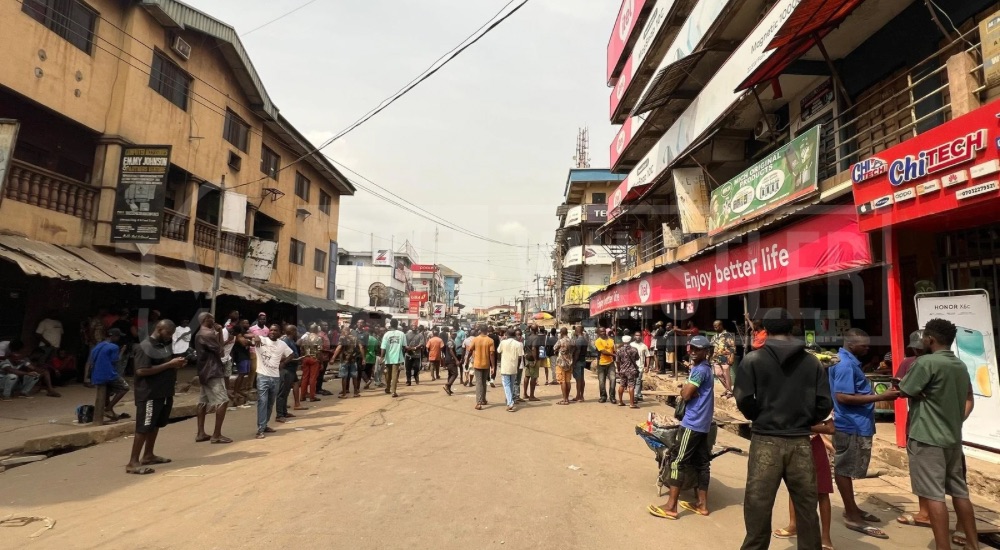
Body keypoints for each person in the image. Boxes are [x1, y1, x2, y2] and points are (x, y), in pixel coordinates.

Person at [734, 308, 833, 550]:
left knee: (758, 504)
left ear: (765, 330)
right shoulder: (812, 362)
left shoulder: (753, 359)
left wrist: (761, 416)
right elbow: (824, 404)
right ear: (791, 328)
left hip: (765, 439)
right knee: (806, 506)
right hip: (800, 440)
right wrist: (803, 419)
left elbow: (744, 399)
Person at [898, 319, 979, 550]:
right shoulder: (960, 365)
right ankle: (973, 544)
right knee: (960, 491)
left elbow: (905, 390)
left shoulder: (926, 363)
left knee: (934, 495)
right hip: (952, 438)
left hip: (927, 437)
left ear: (930, 339)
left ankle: (943, 547)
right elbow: (968, 399)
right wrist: (956, 420)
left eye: (924, 337)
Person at [829, 328, 898, 539]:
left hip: (856, 424)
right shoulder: (846, 365)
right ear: (851, 344)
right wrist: (880, 397)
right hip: (851, 425)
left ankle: (853, 508)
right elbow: (842, 396)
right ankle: (851, 514)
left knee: (849, 468)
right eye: (864, 345)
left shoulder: (846, 361)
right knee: (844, 469)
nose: (868, 349)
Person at [648, 335, 715, 519]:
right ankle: (702, 505)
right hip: (704, 423)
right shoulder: (707, 369)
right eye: (691, 348)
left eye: (697, 349)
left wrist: (685, 389)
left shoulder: (699, 370)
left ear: (706, 352)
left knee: (677, 461)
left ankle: (671, 506)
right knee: (703, 464)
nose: (693, 352)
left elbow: (686, 395)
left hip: (693, 423)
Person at [127, 320, 186, 475]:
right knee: (143, 427)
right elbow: (142, 371)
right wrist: (169, 365)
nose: (170, 337)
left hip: (163, 392)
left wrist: (176, 364)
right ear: (159, 329)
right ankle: (133, 462)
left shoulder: (163, 346)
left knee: (155, 425)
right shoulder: (145, 346)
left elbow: (165, 365)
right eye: (168, 333)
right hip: (149, 394)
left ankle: (148, 455)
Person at [772, 415, 836, 550]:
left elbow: (830, 428)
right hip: (792, 442)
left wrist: (802, 428)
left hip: (813, 445)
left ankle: (825, 536)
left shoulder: (817, 396)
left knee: (822, 491)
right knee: (793, 485)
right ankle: (793, 525)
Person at [194, 312, 231, 445]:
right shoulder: (208, 334)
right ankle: (216, 435)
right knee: (223, 401)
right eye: (212, 318)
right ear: (206, 320)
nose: (214, 321)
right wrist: (219, 332)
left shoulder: (200, 333)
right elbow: (221, 351)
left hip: (204, 371)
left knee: (203, 401)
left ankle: (200, 433)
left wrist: (219, 332)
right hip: (213, 371)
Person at [255, 324, 293, 439]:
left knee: (270, 403)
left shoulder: (282, 344)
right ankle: (260, 429)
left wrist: (283, 363)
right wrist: (255, 336)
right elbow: (245, 335)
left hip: (275, 377)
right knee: (262, 402)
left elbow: (291, 354)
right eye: (271, 330)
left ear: (280, 333)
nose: (272, 332)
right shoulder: (261, 340)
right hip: (262, 376)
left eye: (275, 330)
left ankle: (265, 425)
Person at [86, 330, 129, 419]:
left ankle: (110, 413)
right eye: (118, 337)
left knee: (107, 392)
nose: (118, 339)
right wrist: (122, 351)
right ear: (113, 336)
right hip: (108, 374)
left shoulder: (97, 346)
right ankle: (108, 409)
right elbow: (116, 360)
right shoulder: (114, 347)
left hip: (96, 375)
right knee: (125, 388)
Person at [276, 325, 305, 422]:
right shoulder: (285, 341)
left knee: (286, 391)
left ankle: (284, 412)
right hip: (286, 370)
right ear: (292, 331)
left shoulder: (291, 341)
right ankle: (279, 415)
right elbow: (282, 357)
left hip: (291, 370)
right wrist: (297, 359)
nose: (297, 333)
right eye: (295, 331)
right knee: (282, 392)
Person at [331, 326, 363, 398]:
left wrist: (333, 358)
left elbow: (339, 348)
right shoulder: (355, 338)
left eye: (342, 331)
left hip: (344, 360)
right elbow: (361, 347)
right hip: (353, 359)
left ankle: (344, 393)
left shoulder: (342, 338)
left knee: (344, 377)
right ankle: (355, 392)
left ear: (344, 331)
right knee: (354, 376)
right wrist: (363, 358)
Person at [469, 327, 496, 410]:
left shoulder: (475, 339)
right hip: (486, 364)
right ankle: (483, 399)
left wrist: (467, 360)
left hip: (477, 364)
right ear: (487, 331)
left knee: (479, 383)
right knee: (484, 382)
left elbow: (470, 349)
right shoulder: (490, 340)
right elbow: (492, 354)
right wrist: (493, 366)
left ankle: (479, 402)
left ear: (480, 331)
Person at [498, 329, 524, 412]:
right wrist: (517, 366)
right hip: (514, 367)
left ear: (507, 334)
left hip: (505, 367)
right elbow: (520, 357)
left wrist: (502, 340)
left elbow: (498, 351)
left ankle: (510, 402)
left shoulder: (503, 342)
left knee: (506, 385)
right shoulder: (519, 344)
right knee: (511, 385)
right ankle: (510, 400)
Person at [380, 319, 407, 398]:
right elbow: (404, 346)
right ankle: (393, 392)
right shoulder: (402, 334)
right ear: (397, 325)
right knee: (394, 374)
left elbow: (383, 347)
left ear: (390, 324)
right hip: (397, 357)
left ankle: (388, 388)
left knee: (388, 373)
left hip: (388, 357)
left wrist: (382, 357)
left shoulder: (386, 334)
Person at [614, 335, 641, 409]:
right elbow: (637, 358)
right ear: (630, 341)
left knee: (622, 385)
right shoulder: (634, 349)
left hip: (622, 370)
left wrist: (619, 369)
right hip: (631, 370)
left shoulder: (619, 350)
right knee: (631, 386)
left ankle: (620, 401)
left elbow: (617, 361)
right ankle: (631, 403)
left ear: (623, 341)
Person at [298, 324, 323, 402]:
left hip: (305, 358)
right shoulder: (318, 338)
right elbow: (319, 352)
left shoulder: (305, 338)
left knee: (305, 377)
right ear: (316, 330)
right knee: (313, 378)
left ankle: (302, 396)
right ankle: (312, 396)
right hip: (314, 359)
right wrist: (321, 362)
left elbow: (301, 349)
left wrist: (302, 359)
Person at [711, 320, 736, 397]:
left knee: (726, 374)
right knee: (718, 374)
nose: (715, 327)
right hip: (716, 358)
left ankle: (729, 392)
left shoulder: (728, 335)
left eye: (717, 325)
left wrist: (732, 357)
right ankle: (728, 389)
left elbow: (732, 347)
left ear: (721, 325)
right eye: (714, 326)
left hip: (725, 358)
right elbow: (711, 347)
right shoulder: (714, 337)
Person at [230, 324, 252, 402]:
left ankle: (238, 390)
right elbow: (245, 343)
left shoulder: (241, 336)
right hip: (241, 357)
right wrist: (249, 342)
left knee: (243, 374)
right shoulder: (238, 337)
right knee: (241, 374)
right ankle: (235, 391)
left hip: (245, 356)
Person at [553, 327, 574, 405]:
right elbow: (574, 349)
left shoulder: (560, 341)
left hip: (561, 363)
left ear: (561, 333)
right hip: (569, 362)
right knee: (568, 381)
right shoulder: (571, 341)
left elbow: (554, 348)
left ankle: (564, 400)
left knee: (562, 381)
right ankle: (567, 398)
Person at [595, 328, 617, 404]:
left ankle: (612, 397)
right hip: (601, 363)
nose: (603, 332)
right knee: (601, 381)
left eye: (604, 331)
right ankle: (603, 396)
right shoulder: (598, 341)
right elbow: (603, 351)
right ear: (598, 333)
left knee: (613, 380)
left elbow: (614, 350)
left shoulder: (611, 340)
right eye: (601, 331)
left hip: (611, 363)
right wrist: (614, 355)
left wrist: (615, 356)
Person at [521, 325, 541, 402]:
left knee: (527, 376)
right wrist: (536, 359)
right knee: (533, 377)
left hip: (527, 358)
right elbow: (533, 349)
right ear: (537, 329)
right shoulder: (536, 337)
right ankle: (531, 396)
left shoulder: (527, 336)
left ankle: (525, 393)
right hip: (533, 359)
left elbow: (526, 330)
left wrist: (529, 326)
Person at [572, 325, 588, 402]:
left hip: (578, 361)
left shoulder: (579, 340)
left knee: (578, 379)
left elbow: (577, 352)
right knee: (582, 379)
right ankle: (581, 396)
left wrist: (574, 362)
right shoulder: (585, 340)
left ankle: (578, 396)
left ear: (577, 331)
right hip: (583, 360)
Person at [441, 330, 460, 396]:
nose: (454, 335)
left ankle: (448, 388)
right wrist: (456, 360)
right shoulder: (450, 342)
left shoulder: (452, 341)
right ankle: (447, 385)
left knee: (450, 374)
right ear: (450, 334)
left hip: (449, 360)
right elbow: (451, 351)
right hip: (450, 360)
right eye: (453, 334)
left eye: (455, 334)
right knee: (455, 374)